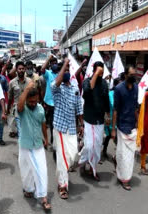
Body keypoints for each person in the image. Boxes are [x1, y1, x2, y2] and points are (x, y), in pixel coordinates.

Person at [52, 59, 83, 199]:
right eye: (63, 71)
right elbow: (55, 84)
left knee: (73, 154)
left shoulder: (75, 89)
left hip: (71, 127)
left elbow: (78, 108)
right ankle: (62, 185)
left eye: (67, 71)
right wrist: (64, 65)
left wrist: (81, 124)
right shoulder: (57, 88)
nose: (65, 73)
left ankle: (62, 174)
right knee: (62, 157)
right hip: (60, 127)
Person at [17, 81, 51, 210]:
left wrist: (46, 138)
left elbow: (43, 124)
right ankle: (28, 189)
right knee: (25, 170)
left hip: (37, 145)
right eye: (30, 101)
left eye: (35, 101)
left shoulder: (41, 108)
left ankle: (43, 197)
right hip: (24, 145)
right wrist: (26, 90)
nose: (32, 104)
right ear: (26, 100)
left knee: (41, 170)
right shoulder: (22, 108)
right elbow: (20, 106)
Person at [78, 61, 110, 181]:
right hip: (89, 119)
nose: (101, 73)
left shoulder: (104, 84)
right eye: (98, 70)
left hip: (100, 120)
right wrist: (96, 74)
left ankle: (92, 168)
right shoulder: (87, 81)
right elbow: (86, 92)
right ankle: (84, 161)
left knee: (97, 147)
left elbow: (106, 100)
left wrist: (107, 116)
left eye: (102, 71)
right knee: (90, 146)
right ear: (94, 70)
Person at [111, 66, 138, 190]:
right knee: (123, 155)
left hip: (132, 126)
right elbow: (115, 110)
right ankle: (124, 179)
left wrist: (138, 123)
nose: (134, 76)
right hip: (121, 126)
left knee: (130, 155)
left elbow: (135, 107)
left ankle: (124, 174)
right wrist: (113, 129)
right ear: (126, 75)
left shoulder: (136, 87)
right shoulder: (118, 89)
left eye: (135, 74)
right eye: (131, 74)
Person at [7, 61, 31, 139]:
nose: (21, 70)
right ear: (16, 70)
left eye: (23, 69)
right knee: (20, 130)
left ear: (25, 70)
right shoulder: (12, 82)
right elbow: (10, 98)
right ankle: (22, 145)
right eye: (19, 69)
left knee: (28, 128)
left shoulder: (30, 81)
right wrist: (8, 110)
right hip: (17, 109)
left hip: (28, 108)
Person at [41, 55, 59, 145]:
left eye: (56, 63)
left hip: (59, 102)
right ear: (50, 65)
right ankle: (52, 137)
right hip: (50, 103)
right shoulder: (48, 73)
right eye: (52, 63)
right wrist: (48, 59)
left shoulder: (60, 73)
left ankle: (56, 137)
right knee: (52, 122)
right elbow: (42, 69)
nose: (54, 64)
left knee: (57, 122)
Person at [102, 78, 120, 158]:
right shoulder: (110, 94)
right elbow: (113, 105)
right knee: (109, 135)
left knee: (117, 137)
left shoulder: (120, 94)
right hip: (109, 117)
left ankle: (117, 156)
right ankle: (104, 150)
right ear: (115, 85)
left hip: (118, 119)